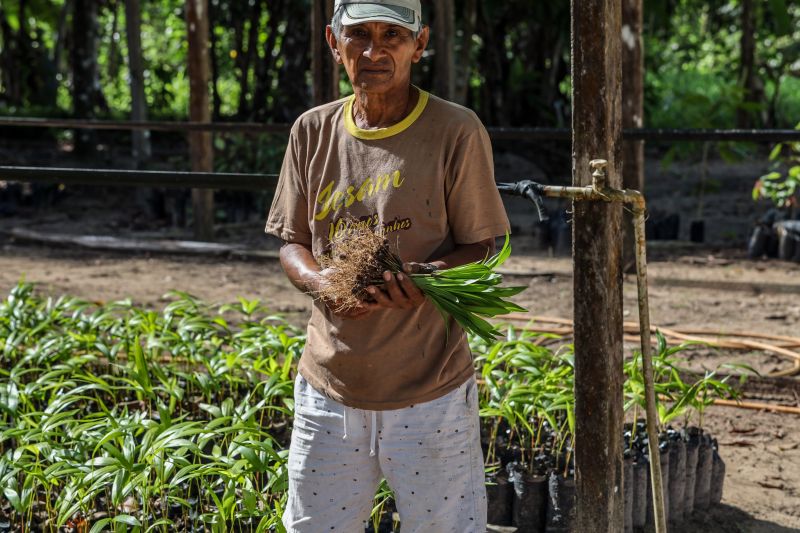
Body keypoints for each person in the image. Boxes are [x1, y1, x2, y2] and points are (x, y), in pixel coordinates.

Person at [265, 0, 510, 530]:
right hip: (329, 389)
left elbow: (483, 244)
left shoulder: (455, 131)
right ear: (334, 43)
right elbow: (292, 240)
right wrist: (318, 281)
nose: (374, 51)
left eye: (391, 36)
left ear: (419, 45)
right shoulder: (312, 131)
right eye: (359, 35)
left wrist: (427, 282)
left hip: (430, 394)